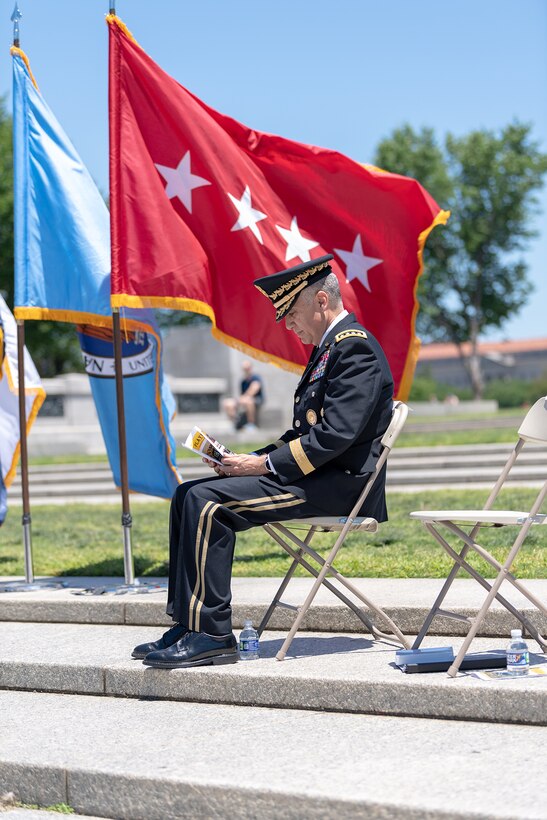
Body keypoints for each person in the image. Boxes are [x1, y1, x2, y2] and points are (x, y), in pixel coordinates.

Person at [132, 254, 394, 668]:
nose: (289, 325)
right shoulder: (329, 350)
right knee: (187, 494)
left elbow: (335, 436)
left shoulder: (354, 348)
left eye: (291, 314)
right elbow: (305, 432)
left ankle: (212, 633)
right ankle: (189, 621)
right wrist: (246, 460)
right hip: (313, 476)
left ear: (321, 302)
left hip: (340, 487)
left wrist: (264, 466)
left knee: (209, 504)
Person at [222, 360, 264, 431]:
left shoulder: (256, 378)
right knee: (228, 403)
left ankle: (251, 424)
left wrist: (243, 398)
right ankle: (234, 423)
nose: (246, 370)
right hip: (244, 399)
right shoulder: (243, 381)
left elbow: (253, 390)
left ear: (250, 368)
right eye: (244, 369)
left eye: (247, 368)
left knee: (248, 401)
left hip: (257, 399)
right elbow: (242, 394)